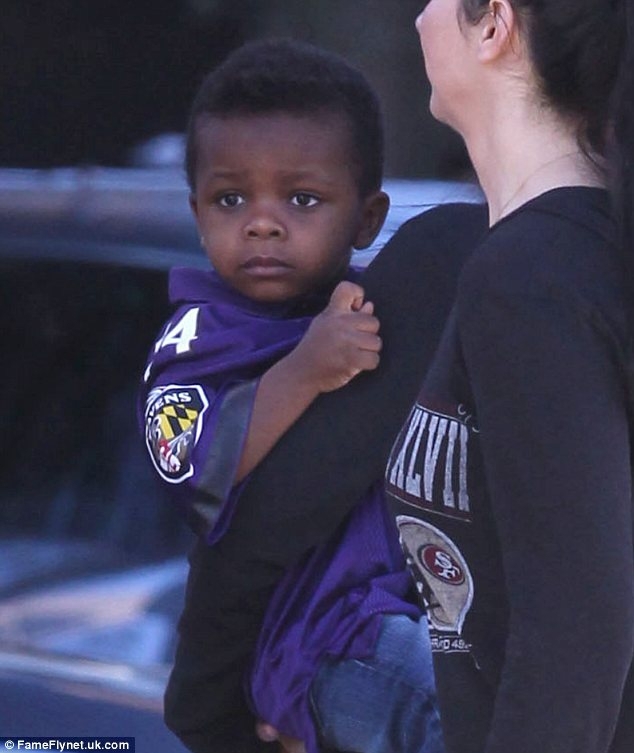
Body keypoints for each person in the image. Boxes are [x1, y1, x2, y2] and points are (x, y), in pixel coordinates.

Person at [163, 2, 634, 753]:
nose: (418, 19)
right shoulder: (483, 258)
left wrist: (210, 710)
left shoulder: (526, 277)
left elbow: (576, 629)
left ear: (493, 24)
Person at [139, 39, 460, 753]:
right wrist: (304, 370)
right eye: (231, 198)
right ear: (197, 214)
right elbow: (197, 471)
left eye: (302, 197)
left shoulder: (385, 311)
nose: (262, 221)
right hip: (317, 644)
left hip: (410, 611)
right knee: (471, 718)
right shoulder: (199, 336)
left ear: (368, 220)